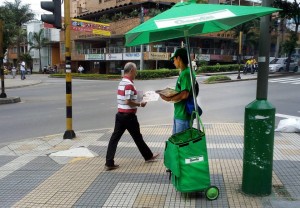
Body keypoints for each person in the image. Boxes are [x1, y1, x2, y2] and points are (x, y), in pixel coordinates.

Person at [105, 62, 159, 171]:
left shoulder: (122, 82)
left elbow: (129, 97)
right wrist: (140, 104)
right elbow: (128, 101)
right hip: (129, 116)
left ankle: (109, 162)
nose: (136, 72)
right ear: (130, 71)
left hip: (120, 115)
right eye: (135, 70)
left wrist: (143, 96)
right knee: (138, 137)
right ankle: (148, 156)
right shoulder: (129, 84)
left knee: (114, 139)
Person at [159, 48, 196, 134]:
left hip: (183, 116)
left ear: (178, 58)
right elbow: (182, 90)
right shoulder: (183, 73)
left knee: (181, 144)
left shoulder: (186, 73)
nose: (173, 62)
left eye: (174, 59)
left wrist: (169, 98)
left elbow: (184, 94)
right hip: (179, 114)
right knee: (177, 143)